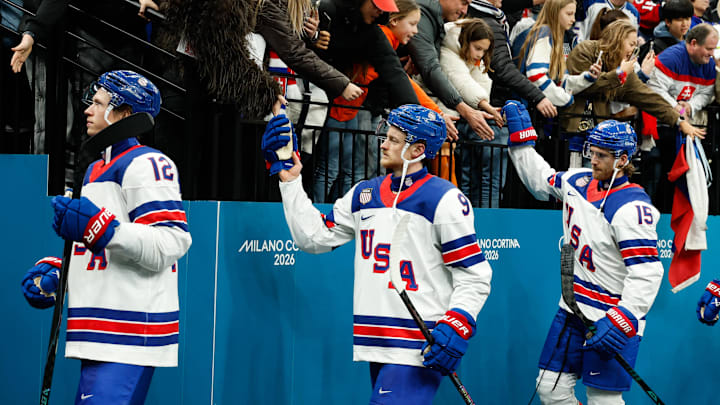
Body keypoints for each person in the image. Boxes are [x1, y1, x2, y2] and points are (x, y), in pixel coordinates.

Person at [261, 103, 492, 403]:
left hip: (418, 346)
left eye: (394, 140)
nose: (383, 144)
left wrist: (458, 323)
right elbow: (313, 237)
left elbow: (474, 275)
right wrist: (290, 180)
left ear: (418, 149)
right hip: (377, 341)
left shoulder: (445, 199)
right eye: (386, 136)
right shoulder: (363, 194)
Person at [20, 70, 192, 404]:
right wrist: (61, 273)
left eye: (98, 103)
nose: (87, 110)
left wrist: (103, 228)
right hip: (98, 330)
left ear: (124, 113)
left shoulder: (148, 163)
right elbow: (101, 247)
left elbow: (171, 241)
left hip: (129, 333)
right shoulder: (94, 169)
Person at [503, 101, 663, 405]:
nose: (593, 160)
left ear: (623, 159)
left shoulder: (632, 207)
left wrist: (622, 318)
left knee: (603, 398)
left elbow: (647, 272)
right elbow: (541, 181)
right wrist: (521, 142)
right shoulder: (578, 180)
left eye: (602, 155)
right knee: (549, 388)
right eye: (592, 152)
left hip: (610, 316)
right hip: (572, 309)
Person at [563, 20, 705, 140]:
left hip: (598, 133)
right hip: (572, 129)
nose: (633, 49)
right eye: (631, 44)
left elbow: (648, 98)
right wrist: (619, 74)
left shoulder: (623, 67)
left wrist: (679, 120)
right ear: (618, 40)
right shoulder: (585, 50)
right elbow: (585, 86)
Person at [644, 23, 717, 207]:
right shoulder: (670, 58)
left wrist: (690, 106)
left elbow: (707, 94)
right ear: (693, 43)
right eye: (708, 49)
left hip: (684, 129)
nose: (711, 54)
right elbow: (654, 90)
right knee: (656, 176)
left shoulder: (707, 64)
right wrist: (679, 108)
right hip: (659, 128)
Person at [439, 18, 507, 207]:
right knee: (450, 181)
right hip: (443, 119)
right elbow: (462, 82)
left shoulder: (473, 58)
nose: (480, 54)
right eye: (477, 48)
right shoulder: (447, 50)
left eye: (484, 50)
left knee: (461, 178)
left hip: (457, 121)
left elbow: (480, 84)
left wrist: (485, 106)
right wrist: (487, 107)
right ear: (466, 40)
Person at [517, 0, 600, 108]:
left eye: (574, 14)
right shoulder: (544, 32)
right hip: (528, 108)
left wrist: (587, 78)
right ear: (555, 12)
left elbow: (560, 81)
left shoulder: (559, 37)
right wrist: (564, 99)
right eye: (569, 14)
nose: (573, 19)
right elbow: (536, 76)